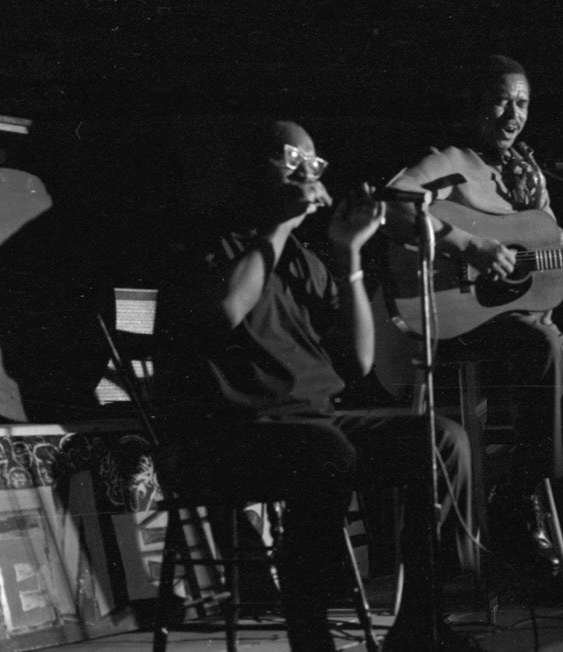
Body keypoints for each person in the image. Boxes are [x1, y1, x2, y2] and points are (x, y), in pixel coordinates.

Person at [154, 119, 480, 651]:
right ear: (252, 169)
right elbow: (222, 315)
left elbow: (358, 363)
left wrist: (349, 257)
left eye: (314, 163)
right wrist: (275, 229)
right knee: (324, 451)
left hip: (314, 427)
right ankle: (310, 635)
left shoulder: (306, 261)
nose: (307, 172)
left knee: (439, 440)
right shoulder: (208, 242)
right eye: (292, 159)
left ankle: (420, 622)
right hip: (230, 436)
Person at [381, 55, 563, 592]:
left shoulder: (527, 174)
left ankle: (507, 495)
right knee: (542, 348)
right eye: (503, 100)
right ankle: (517, 508)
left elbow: (549, 247)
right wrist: (471, 245)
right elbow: (395, 203)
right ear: (475, 104)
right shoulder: (452, 159)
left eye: (524, 103)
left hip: (526, 320)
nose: (514, 114)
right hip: (465, 321)